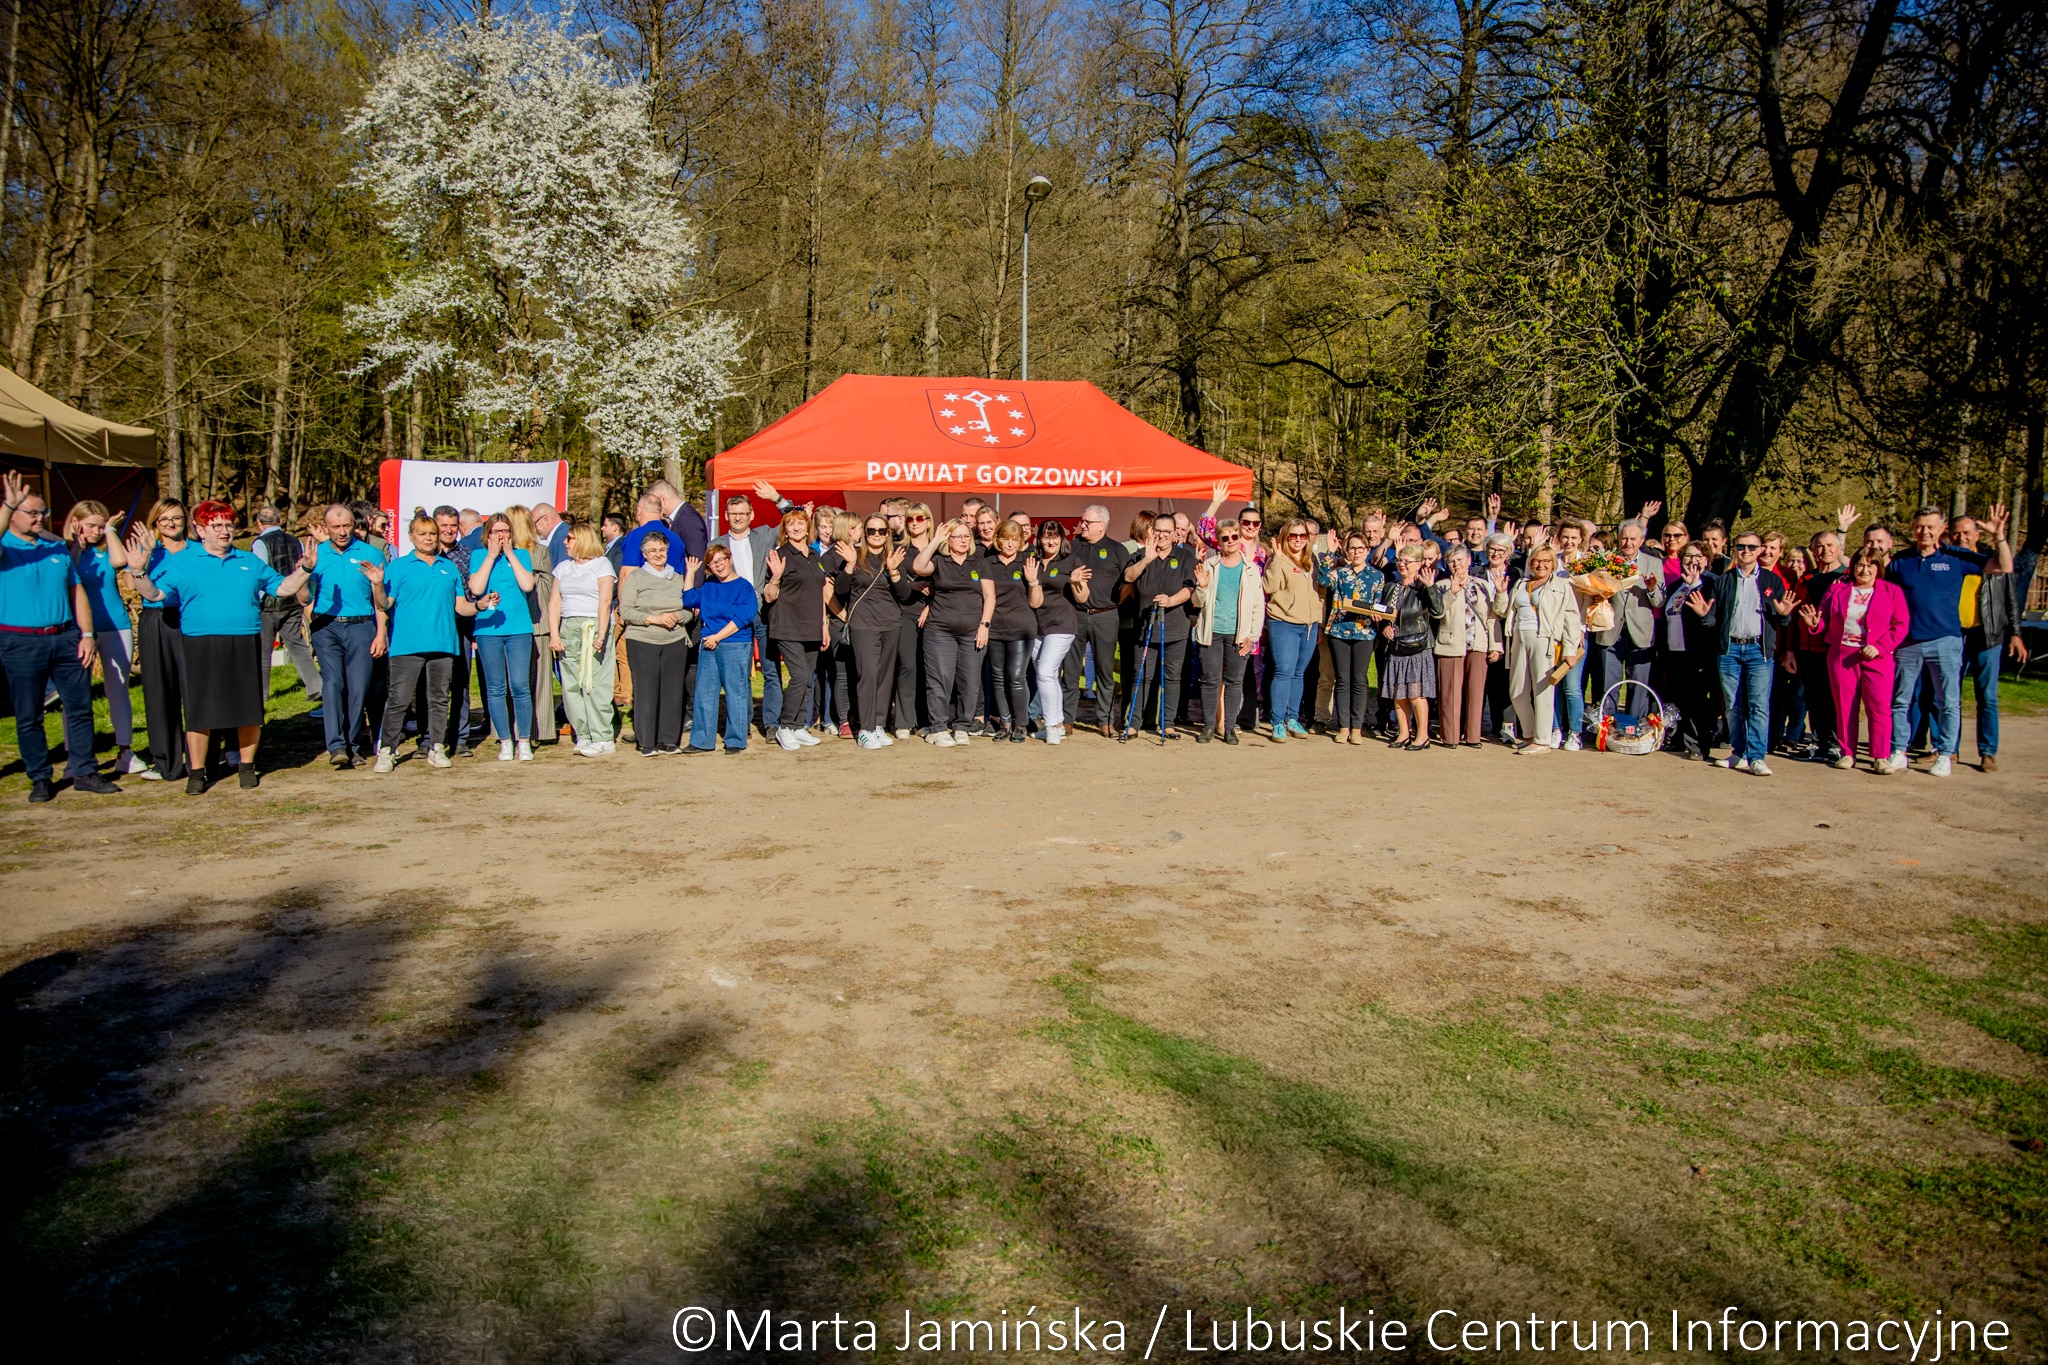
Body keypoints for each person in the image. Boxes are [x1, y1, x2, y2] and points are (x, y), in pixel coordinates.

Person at [127, 499, 316, 793]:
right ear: (201, 530)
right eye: (217, 526)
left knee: (248, 709)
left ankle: (246, 767)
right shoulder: (183, 561)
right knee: (200, 711)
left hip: (245, 639)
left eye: (229, 525)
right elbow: (155, 594)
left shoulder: (249, 560)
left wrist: (304, 569)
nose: (225, 531)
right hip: (199, 642)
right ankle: (197, 773)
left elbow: (281, 589)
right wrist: (139, 572)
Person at [0, 472, 121, 802]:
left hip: (66, 636)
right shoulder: (5, 548)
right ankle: (40, 777)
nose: (41, 518)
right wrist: (9, 504)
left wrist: (86, 634)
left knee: (80, 708)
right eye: (33, 512)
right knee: (29, 715)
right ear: (12, 513)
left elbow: (76, 589)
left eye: (44, 512)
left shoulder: (55, 545)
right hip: (20, 641)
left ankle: (84, 771)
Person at [1883, 504, 2012, 777]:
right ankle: (1898, 751)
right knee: (1901, 699)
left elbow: (2003, 566)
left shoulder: (1956, 557)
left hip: (1946, 640)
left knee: (1948, 701)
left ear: (1942, 530)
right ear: (1912, 529)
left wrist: (1999, 536)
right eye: (1919, 526)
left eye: (1931, 526)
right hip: (1907, 643)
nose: (1924, 531)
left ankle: (1945, 754)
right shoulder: (1900, 561)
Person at [368, 512, 477, 772]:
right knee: (399, 699)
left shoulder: (448, 567)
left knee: (439, 699)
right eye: (422, 534)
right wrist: (378, 585)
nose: (428, 538)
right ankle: (387, 750)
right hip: (407, 644)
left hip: (443, 643)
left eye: (432, 534)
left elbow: (460, 606)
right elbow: (384, 604)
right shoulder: (398, 567)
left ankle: (436, 747)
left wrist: (480, 605)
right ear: (411, 537)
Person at [1803, 546, 1908, 774]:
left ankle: (1880, 756)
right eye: (1860, 564)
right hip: (1842, 655)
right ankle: (1847, 753)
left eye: (1870, 565)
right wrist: (1813, 624)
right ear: (1852, 567)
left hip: (1876, 657)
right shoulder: (1838, 589)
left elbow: (1900, 626)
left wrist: (1880, 647)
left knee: (1878, 708)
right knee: (1844, 707)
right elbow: (1823, 620)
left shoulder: (1891, 591)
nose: (1865, 569)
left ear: (1878, 568)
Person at [305, 503, 389, 769]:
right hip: (327, 627)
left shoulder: (371, 553)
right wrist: (306, 574)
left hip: (361, 626)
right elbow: (304, 597)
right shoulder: (316, 555)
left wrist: (381, 633)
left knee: (358, 688)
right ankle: (336, 746)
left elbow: (382, 602)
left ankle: (352, 745)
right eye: (336, 527)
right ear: (325, 528)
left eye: (346, 526)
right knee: (332, 684)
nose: (342, 532)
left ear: (354, 525)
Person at [62, 500, 143, 777]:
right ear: (76, 523)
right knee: (75, 696)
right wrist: (74, 546)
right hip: (79, 630)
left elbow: (120, 562)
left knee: (118, 690)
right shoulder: (65, 552)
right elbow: (65, 577)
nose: (96, 531)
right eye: (91, 526)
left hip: (116, 626)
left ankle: (125, 752)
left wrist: (111, 530)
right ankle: (76, 757)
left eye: (101, 525)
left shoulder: (105, 551)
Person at [1708, 530, 1795, 775]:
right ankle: (1738, 752)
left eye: (1751, 547)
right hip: (1730, 648)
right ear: (1734, 549)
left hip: (1758, 650)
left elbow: (1782, 619)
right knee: (1733, 705)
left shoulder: (1771, 581)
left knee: (1758, 705)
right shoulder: (1723, 581)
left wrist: (1784, 614)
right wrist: (1705, 616)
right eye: (1741, 547)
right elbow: (1712, 618)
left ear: (1759, 551)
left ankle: (1756, 756)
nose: (1746, 551)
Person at [1952, 513, 2027, 773]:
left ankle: (1987, 752)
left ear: (1977, 535)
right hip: (1955, 635)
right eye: (1956, 533)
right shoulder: (1950, 561)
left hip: (1988, 635)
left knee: (1987, 696)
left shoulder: (1991, 563)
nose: (1961, 537)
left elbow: (2011, 599)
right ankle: (1949, 749)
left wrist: (2015, 633)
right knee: (1950, 696)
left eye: (1966, 533)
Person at [913, 517, 996, 746]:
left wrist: (984, 625)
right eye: (956, 536)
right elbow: (919, 567)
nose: (962, 540)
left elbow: (989, 596)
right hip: (940, 631)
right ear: (948, 540)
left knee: (970, 681)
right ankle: (938, 727)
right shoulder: (939, 561)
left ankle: (962, 725)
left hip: (973, 631)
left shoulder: (979, 561)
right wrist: (936, 540)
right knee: (940, 679)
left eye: (965, 536)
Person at [760, 508, 834, 751]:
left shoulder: (814, 555)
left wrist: (824, 625)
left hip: (812, 625)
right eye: (790, 524)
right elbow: (769, 596)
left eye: (800, 523)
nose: (795, 527)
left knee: (809, 679)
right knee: (800, 676)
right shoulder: (779, 555)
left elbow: (821, 594)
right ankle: (785, 726)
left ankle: (799, 726)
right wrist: (776, 578)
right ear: (785, 529)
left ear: (807, 526)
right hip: (787, 625)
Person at [467, 512, 539, 761]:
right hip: (488, 629)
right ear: (488, 534)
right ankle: (505, 740)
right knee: (496, 688)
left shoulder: (521, 555)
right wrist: (491, 556)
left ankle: (524, 741)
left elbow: (528, 585)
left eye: (505, 531)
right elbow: (476, 589)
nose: (501, 536)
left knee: (520, 685)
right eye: (496, 531)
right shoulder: (478, 556)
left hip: (519, 629)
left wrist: (509, 554)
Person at [1118, 515, 1198, 738]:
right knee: (1141, 676)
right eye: (1158, 531)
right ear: (1152, 531)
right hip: (1144, 626)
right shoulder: (1141, 554)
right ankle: (1134, 723)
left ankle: (1168, 723)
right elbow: (1128, 576)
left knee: (1172, 677)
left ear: (1175, 534)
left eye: (1167, 531)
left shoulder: (1184, 557)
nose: (1162, 535)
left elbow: (1189, 588)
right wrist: (1147, 560)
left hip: (1174, 626)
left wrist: (1171, 601)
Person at [616, 529, 694, 754]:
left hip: (675, 639)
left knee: (672, 692)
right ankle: (646, 742)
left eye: (662, 550)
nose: (658, 554)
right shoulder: (636, 577)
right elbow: (626, 610)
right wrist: (654, 619)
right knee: (647, 691)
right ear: (644, 553)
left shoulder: (677, 577)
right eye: (652, 551)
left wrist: (678, 616)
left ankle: (669, 740)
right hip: (643, 639)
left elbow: (689, 610)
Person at [712, 491, 784, 737]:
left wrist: (777, 498)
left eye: (743, 514)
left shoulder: (764, 534)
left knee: (771, 669)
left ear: (751, 515)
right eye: (733, 514)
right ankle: (742, 723)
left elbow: (792, 519)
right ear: (726, 516)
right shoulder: (716, 544)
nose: (738, 518)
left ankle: (772, 723)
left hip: (763, 611)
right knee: (739, 673)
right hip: (734, 617)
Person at [837, 514, 911, 748]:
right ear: (865, 533)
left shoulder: (895, 556)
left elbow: (905, 595)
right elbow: (840, 589)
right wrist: (849, 566)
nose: (876, 535)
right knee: (867, 675)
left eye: (881, 531)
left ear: (888, 533)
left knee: (885, 676)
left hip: (891, 623)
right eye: (871, 530)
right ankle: (865, 728)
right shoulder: (855, 556)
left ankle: (878, 724)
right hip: (863, 624)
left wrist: (894, 571)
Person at [132, 497, 193, 780]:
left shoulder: (199, 551)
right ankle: (166, 761)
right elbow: (133, 581)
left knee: (195, 689)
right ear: (155, 522)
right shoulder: (149, 551)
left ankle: (200, 757)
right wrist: (141, 559)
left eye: (176, 518)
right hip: (156, 619)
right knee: (159, 691)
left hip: (191, 618)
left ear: (186, 520)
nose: (171, 524)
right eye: (164, 519)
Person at [1190, 517, 1265, 744]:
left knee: (1234, 681)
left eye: (1234, 536)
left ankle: (1230, 728)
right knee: (1209, 680)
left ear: (1239, 538)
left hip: (1239, 634)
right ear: (1219, 542)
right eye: (1225, 537)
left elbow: (1258, 606)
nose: (1231, 540)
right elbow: (1197, 601)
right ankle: (1209, 727)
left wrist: (1253, 637)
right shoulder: (1210, 566)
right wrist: (1201, 588)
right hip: (1211, 632)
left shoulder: (1251, 569)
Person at [1503, 545, 1583, 754]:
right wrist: (1502, 592)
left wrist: (1569, 649)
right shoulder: (1521, 583)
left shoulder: (1560, 585)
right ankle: (1529, 734)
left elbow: (1571, 618)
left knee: (1543, 692)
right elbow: (1506, 611)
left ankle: (1542, 740)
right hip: (1518, 638)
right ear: (1530, 563)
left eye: (1547, 561)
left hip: (1544, 639)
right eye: (1537, 560)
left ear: (1553, 564)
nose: (1541, 564)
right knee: (1517, 692)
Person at [681, 544, 760, 754]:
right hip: (709, 644)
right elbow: (688, 598)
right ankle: (701, 740)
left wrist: (718, 637)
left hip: (734, 643)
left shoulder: (744, 587)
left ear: (729, 559)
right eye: (713, 563)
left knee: (736, 692)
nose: (719, 565)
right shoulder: (709, 586)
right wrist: (690, 572)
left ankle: (735, 739)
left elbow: (743, 617)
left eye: (721, 559)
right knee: (704, 693)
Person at [550, 523, 618, 756]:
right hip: (569, 627)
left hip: (593, 626)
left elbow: (605, 601)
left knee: (595, 682)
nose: (565, 543)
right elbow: (555, 603)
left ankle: (603, 736)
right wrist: (554, 634)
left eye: (570, 539)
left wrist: (601, 633)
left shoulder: (602, 565)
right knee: (571, 685)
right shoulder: (563, 568)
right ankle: (584, 734)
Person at [1589, 519, 1663, 722]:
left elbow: (1659, 602)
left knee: (1638, 684)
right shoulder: (1606, 560)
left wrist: (1651, 588)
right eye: (1624, 538)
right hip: (1610, 629)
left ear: (1642, 540)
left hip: (1640, 632)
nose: (1628, 543)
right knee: (1607, 682)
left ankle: (1635, 726)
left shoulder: (1654, 563)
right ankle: (1607, 727)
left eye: (1633, 539)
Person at [1314, 530, 1385, 744]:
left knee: (1359, 679)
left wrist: (1377, 613)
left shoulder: (1376, 576)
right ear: (1346, 550)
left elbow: (1380, 604)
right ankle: (1343, 726)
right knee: (1343, 679)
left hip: (1364, 632)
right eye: (1352, 548)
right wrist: (1329, 552)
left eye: (1360, 548)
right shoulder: (1340, 573)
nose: (1356, 552)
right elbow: (1323, 580)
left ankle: (1357, 727)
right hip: (1339, 631)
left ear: (1367, 550)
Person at [250, 504, 320, 713]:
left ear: (259, 523)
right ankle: (316, 686)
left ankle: (261, 694)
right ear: (280, 521)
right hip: (293, 600)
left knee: (263, 651)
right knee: (298, 646)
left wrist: (257, 599)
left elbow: (260, 572)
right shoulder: (295, 540)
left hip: (268, 604)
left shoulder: (260, 543)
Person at [1068, 504, 1131, 735]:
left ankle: (1105, 721)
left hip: (1105, 616)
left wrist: (1114, 603)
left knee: (1105, 672)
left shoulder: (1117, 550)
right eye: (1082, 520)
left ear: (1101, 526)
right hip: (1075, 615)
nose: (1082, 524)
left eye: (1087, 522)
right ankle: (1067, 719)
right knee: (1071, 670)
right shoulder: (1072, 546)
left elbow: (1128, 582)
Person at [1790, 529, 1850, 762]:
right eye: (1820, 546)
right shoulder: (1806, 579)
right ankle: (1817, 741)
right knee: (1813, 698)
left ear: (1839, 549)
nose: (1825, 550)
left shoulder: (1847, 577)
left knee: (1835, 699)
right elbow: (1794, 617)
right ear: (1813, 550)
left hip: (1836, 649)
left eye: (1829, 545)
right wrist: (1790, 649)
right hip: (1807, 648)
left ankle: (1836, 743)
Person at [1433, 543, 1501, 748]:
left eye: (1459, 560)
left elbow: (1492, 617)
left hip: (1478, 643)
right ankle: (1450, 736)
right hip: (1451, 642)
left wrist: (1495, 645)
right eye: (1451, 561)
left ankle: (1472, 736)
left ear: (1469, 561)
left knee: (1475, 692)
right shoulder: (1441, 585)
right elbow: (1437, 613)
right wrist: (1451, 593)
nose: (1456, 564)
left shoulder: (1482, 585)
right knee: (1450, 692)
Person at [1378, 544, 1444, 750]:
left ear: (1419, 564)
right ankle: (1403, 733)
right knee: (1398, 693)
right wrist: (1384, 626)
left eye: (1407, 561)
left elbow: (1438, 611)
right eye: (1400, 560)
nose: (1402, 565)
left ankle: (1422, 735)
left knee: (1416, 693)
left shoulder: (1423, 587)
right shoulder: (1391, 587)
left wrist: (1430, 588)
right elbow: (1384, 613)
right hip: (1396, 646)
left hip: (1417, 646)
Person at [1261, 521, 1321, 742]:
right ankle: (1277, 722)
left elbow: (1320, 591)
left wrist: (1319, 622)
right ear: (1285, 537)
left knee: (1299, 673)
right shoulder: (1277, 559)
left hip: (1309, 624)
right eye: (1293, 535)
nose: (1297, 539)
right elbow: (1268, 587)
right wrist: (1276, 559)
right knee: (1284, 671)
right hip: (1284, 622)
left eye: (1302, 536)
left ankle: (1293, 719)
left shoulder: (1312, 561)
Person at [502, 504, 557, 743]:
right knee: (533, 681)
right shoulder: (528, 552)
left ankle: (527, 729)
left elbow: (543, 588)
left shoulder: (537, 552)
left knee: (526, 679)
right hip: (527, 623)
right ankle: (533, 730)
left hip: (533, 622)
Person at [1660, 544, 1720, 760]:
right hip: (1674, 653)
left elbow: (1709, 620)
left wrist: (1694, 585)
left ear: (1706, 560)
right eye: (1687, 555)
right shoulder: (1676, 585)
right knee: (1678, 699)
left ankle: (1698, 746)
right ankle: (1678, 739)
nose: (1692, 560)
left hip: (1697, 653)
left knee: (1696, 702)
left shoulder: (1710, 584)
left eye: (1698, 556)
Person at [981, 519, 1039, 741]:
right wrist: (985, 625)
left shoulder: (1028, 562)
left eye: (1015, 539)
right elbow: (989, 597)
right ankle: (1005, 723)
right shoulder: (989, 563)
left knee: (1016, 676)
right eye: (1006, 538)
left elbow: (1036, 602)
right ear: (998, 539)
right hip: (996, 627)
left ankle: (1021, 724)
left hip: (1022, 628)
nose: (1010, 544)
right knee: (998, 677)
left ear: (1021, 541)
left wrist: (1033, 582)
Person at [1027, 519, 1081, 743]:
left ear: (1062, 539)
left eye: (1055, 536)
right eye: (1046, 536)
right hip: (1037, 626)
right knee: (1049, 676)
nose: (1051, 540)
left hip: (1062, 625)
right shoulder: (1033, 561)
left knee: (1046, 672)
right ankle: (1057, 724)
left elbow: (1083, 597)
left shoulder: (1071, 560)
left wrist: (1077, 582)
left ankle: (1050, 726)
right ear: (1039, 539)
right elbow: (1033, 600)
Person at [891, 502, 935, 737]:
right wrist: (911, 585)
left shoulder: (940, 549)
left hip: (935, 615)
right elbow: (893, 584)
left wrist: (931, 606)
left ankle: (926, 720)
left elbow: (949, 584)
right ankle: (904, 721)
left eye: (920, 518)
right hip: (906, 614)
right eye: (910, 519)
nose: (915, 523)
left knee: (929, 669)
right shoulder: (900, 549)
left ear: (928, 521)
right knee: (907, 666)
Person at [532, 501, 570, 566]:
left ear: (546, 520)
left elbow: (563, 573)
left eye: (533, 524)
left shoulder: (561, 539)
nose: (533, 529)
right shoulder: (567, 532)